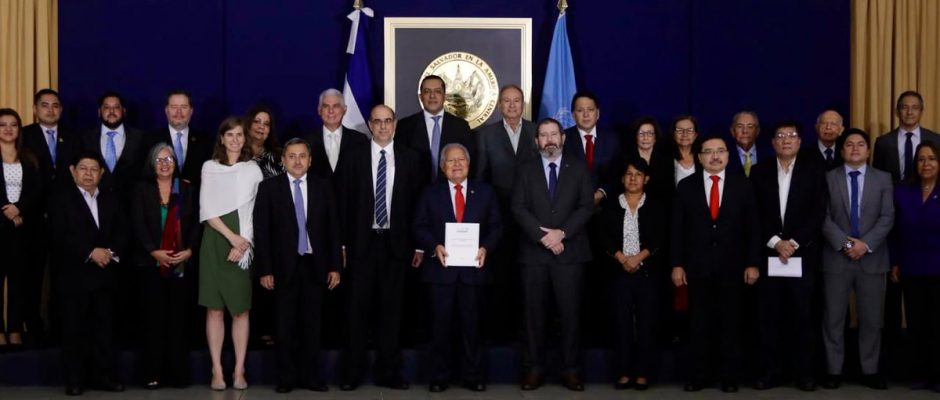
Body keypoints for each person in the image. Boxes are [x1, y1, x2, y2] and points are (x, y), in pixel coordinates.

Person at [337, 104, 422, 391]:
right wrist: (342, 244)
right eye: (378, 121)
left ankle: (389, 372)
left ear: (395, 124)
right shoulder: (352, 157)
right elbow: (343, 202)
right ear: (370, 125)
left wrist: (418, 246)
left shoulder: (411, 158)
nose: (383, 126)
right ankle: (353, 373)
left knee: (392, 312)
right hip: (361, 245)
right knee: (356, 311)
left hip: (396, 246)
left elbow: (417, 205)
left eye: (388, 121)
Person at [670, 135, 760, 393]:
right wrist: (677, 264)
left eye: (720, 151)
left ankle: (729, 376)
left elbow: (753, 227)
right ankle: (700, 375)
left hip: (734, 267)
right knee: (699, 323)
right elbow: (677, 229)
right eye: (709, 152)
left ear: (728, 156)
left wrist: (753, 263)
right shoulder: (686, 186)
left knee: (731, 323)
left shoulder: (742, 185)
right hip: (697, 267)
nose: (715, 156)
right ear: (699, 157)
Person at [253, 138, 342, 393]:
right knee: (285, 326)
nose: (297, 161)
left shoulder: (323, 187)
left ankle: (312, 377)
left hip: (315, 265)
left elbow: (333, 228)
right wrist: (265, 269)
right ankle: (286, 378)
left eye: (302, 156)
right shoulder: (269, 188)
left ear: (310, 160)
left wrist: (335, 266)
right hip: (283, 267)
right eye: (291, 156)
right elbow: (262, 231)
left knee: (313, 325)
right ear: (283, 161)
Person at [413, 143, 503, 393]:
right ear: (442, 167)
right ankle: (439, 376)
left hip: (474, 272)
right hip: (440, 272)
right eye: (450, 161)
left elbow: (497, 226)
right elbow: (419, 226)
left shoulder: (485, 192)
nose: (456, 165)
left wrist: (485, 247)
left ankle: (472, 375)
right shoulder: (430, 193)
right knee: (439, 327)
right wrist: (435, 246)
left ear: (469, 164)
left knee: (472, 327)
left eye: (461, 160)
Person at [512, 118, 593, 392]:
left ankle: (571, 370)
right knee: (533, 316)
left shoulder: (579, 168)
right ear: (536, 141)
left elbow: (586, 206)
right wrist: (544, 237)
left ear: (563, 138)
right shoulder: (525, 169)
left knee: (570, 315)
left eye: (554, 134)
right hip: (534, 256)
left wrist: (562, 233)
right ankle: (533, 369)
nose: (549, 140)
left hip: (570, 255)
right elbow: (518, 207)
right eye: (544, 135)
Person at [750, 121, 827, 391]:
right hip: (769, 256)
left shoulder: (814, 171)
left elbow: (818, 212)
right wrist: (775, 242)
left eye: (792, 135)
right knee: (769, 317)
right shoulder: (759, 172)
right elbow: (753, 213)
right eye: (780, 136)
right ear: (772, 142)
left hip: (801, 255)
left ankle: (804, 373)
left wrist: (792, 243)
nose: (786, 140)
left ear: (799, 141)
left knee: (802, 317)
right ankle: (770, 373)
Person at [820, 129, 894, 390]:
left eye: (860, 144)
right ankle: (833, 370)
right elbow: (823, 217)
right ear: (841, 151)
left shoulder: (883, 178)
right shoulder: (828, 178)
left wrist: (865, 244)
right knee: (833, 318)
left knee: (871, 319)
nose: (854, 149)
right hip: (836, 258)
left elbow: (887, 216)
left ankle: (870, 370)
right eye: (849, 145)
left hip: (872, 258)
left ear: (868, 150)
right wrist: (847, 244)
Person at [50, 150, 126, 396]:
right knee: (74, 330)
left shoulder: (111, 199)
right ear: (73, 171)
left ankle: (102, 377)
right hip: (74, 275)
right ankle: (75, 379)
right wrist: (90, 252)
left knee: (104, 329)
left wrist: (108, 253)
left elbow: (123, 231)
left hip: (105, 274)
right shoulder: (61, 199)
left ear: (101, 173)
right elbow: (59, 234)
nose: (88, 174)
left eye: (94, 169)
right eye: (83, 168)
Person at [198, 116, 263, 391]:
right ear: (221, 139)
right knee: (214, 309)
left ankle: (239, 370)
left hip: (244, 241)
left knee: (240, 310)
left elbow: (257, 209)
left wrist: (243, 242)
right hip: (216, 238)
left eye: (239, 135)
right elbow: (206, 209)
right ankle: (217, 370)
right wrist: (231, 238)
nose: (235, 140)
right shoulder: (209, 167)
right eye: (230, 135)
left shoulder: (253, 170)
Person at [873, 91, 940, 352]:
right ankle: (895, 355)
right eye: (904, 107)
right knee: (898, 300)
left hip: (930, 226)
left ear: (922, 111)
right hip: (897, 220)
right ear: (897, 111)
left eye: (915, 107)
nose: (909, 112)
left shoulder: (935, 139)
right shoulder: (883, 142)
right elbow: (878, 181)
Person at [131, 143, 200, 389]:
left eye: (169, 159)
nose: (164, 164)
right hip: (150, 264)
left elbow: (197, 223)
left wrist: (190, 250)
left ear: (175, 162)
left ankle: (178, 375)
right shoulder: (142, 189)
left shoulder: (186, 188)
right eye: (159, 160)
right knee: (153, 321)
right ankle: (152, 374)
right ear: (152, 164)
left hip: (181, 263)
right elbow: (137, 222)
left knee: (178, 321)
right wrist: (153, 251)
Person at [473, 84, 536, 342]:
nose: (512, 105)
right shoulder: (486, 135)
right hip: (499, 215)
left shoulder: (536, 131)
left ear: (523, 105)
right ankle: (500, 330)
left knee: (529, 274)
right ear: (500, 106)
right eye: (507, 101)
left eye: (516, 100)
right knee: (501, 272)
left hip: (533, 216)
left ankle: (527, 328)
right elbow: (480, 177)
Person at [599, 158, 666, 391]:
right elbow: (603, 237)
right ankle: (624, 372)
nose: (633, 178)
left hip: (648, 273)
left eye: (638, 174)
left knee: (647, 323)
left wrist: (639, 257)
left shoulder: (656, 206)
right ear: (622, 178)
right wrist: (621, 258)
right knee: (621, 324)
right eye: (629, 174)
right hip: (618, 272)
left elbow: (660, 237)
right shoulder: (610, 206)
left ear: (646, 179)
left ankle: (643, 373)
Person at [889, 141, 940, 392]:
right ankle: (920, 373)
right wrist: (895, 262)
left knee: (937, 324)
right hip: (911, 267)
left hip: (938, 266)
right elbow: (895, 230)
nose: (926, 164)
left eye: (931, 159)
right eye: (921, 159)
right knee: (916, 323)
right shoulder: (903, 191)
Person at [0, 109, 41, 351]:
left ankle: (15, 329)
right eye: (3, 124)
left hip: (23, 228)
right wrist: (8, 211)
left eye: (13, 124)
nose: (8, 129)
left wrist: (19, 209)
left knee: (19, 281)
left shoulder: (29, 156)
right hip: (1, 225)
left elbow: (37, 190)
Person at [395, 74, 474, 186]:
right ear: (420, 97)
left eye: (437, 91)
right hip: (415, 192)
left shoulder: (461, 127)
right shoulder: (405, 126)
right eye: (427, 91)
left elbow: (469, 165)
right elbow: (399, 165)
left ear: (444, 96)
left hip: (450, 191)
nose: (432, 96)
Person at [563, 91, 619, 205]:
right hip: (571, 205)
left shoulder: (612, 140)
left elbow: (618, 173)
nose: (586, 115)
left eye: (590, 110)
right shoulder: (563, 139)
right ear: (573, 115)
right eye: (580, 110)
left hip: (604, 205)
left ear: (597, 113)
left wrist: (601, 192)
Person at [149, 89, 212, 184]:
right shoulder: (151, 139)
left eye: (184, 107)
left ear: (191, 111)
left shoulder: (205, 140)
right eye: (174, 107)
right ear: (166, 111)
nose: (179, 112)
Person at [305, 88, 368, 180]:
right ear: (319, 110)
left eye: (336, 106)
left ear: (344, 110)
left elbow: (363, 174)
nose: (331, 111)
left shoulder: (359, 140)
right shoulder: (307, 141)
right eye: (326, 106)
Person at [625, 116, 674, 206]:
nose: (645, 137)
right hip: (631, 204)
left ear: (655, 138)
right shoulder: (625, 158)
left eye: (650, 133)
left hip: (660, 205)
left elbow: (669, 189)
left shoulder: (666, 159)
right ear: (636, 136)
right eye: (641, 133)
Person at [727, 111, 771, 177]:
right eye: (740, 126)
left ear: (757, 131)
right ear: (732, 131)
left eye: (750, 126)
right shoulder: (724, 155)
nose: (745, 131)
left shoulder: (769, 155)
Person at [245, 105, 284, 178]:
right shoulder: (237, 155)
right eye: (257, 121)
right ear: (248, 125)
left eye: (266, 124)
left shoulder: (279, 158)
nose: (261, 127)